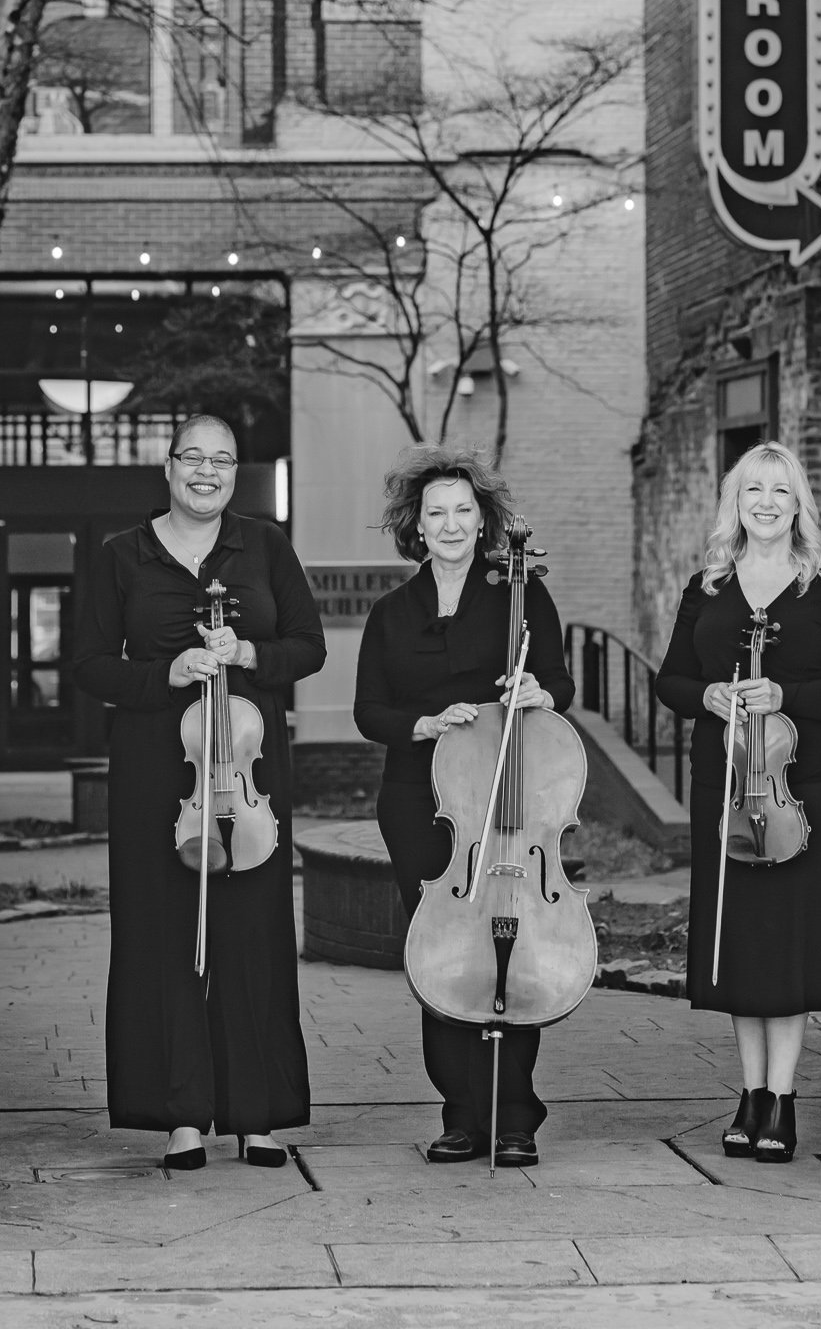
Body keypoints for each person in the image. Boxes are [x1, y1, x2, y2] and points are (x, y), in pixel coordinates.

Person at [74, 412, 325, 1170]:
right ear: (168, 467)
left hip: (246, 771)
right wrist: (167, 674)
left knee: (252, 936)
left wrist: (249, 650)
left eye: (222, 460)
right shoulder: (122, 555)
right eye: (192, 457)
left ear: (235, 471)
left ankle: (259, 1112)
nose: (206, 471)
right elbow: (88, 663)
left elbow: (308, 646)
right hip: (159, 766)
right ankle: (180, 1113)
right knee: (161, 934)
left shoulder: (266, 546)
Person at [654, 441, 821, 1164]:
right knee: (742, 940)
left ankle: (780, 1099)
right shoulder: (708, 587)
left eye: (781, 492)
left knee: (788, 940)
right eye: (754, 490)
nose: (767, 503)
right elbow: (670, 681)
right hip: (723, 784)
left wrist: (788, 696)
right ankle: (748, 1092)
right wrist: (709, 695)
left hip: (796, 790)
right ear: (735, 501)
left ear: (797, 504)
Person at [353, 445, 575, 1168]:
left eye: (462, 512)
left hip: (508, 801)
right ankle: (459, 1114)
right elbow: (368, 711)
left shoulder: (520, 595)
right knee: (445, 951)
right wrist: (420, 724)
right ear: (415, 527)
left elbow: (560, 688)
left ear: (484, 523)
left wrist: (537, 694)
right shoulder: (391, 613)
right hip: (423, 801)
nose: (449, 525)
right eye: (434, 513)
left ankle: (515, 1116)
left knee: (512, 947)